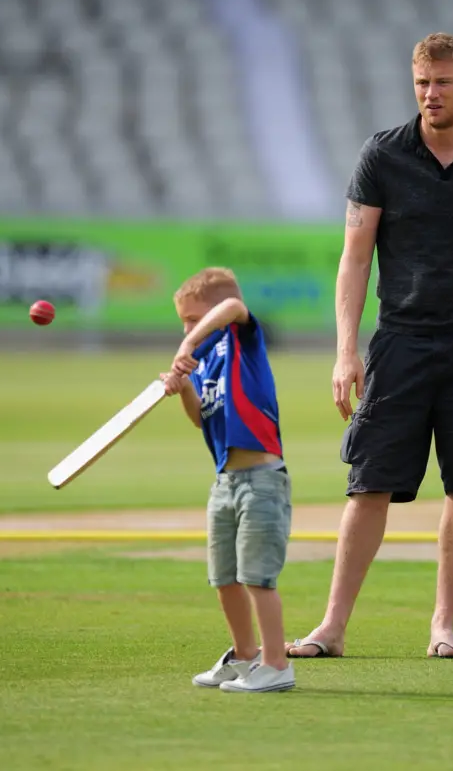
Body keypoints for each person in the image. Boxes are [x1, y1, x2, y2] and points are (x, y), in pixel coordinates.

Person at [286, 32, 453, 661]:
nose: (430, 94)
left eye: (442, 82)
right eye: (421, 83)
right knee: (368, 483)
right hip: (400, 339)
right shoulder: (382, 156)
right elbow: (354, 261)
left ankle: (443, 628)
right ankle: (331, 628)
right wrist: (346, 350)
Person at [162, 267, 295, 692]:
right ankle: (243, 656)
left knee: (257, 577)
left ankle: (277, 665)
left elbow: (234, 307)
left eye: (192, 319)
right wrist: (183, 385)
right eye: (183, 322)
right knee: (225, 579)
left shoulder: (240, 337)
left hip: (261, 480)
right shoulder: (203, 362)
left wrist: (187, 341)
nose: (188, 328)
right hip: (224, 482)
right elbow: (202, 418)